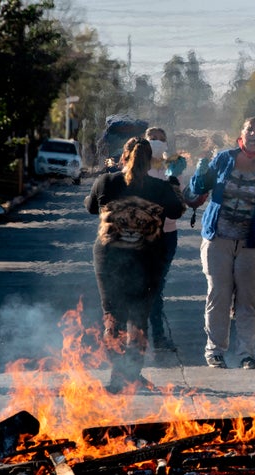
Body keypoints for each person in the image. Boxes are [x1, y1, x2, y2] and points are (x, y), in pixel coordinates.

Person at [190, 117, 255, 370]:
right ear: (241, 134)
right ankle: (215, 351)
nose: (253, 134)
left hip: (254, 244)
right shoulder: (224, 159)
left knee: (249, 300)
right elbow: (198, 188)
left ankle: (246, 354)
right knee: (218, 296)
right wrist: (201, 170)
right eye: (249, 129)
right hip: (218, 240)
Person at [85, 137, 185, 393]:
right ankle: (131, 374)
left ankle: (118, 377)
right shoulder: (160, 188)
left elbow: (90, 208)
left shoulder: (106, 182)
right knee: (138, 321)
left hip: (109, 261)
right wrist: (173, 187)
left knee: (113, 320)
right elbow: (176, 211)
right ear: (149, 160)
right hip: (147, 260)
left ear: (123, 157)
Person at [145, 126, 186, 352]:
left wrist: (174, 177)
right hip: (139, 236)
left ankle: (158, 337)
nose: (157, 142)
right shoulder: (136, 165)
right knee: (138, 287)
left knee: (156, 287)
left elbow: (180, 203)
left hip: (167, 235)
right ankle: (133, 339)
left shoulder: (173, 165)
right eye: (152, 139)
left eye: (161, 139)